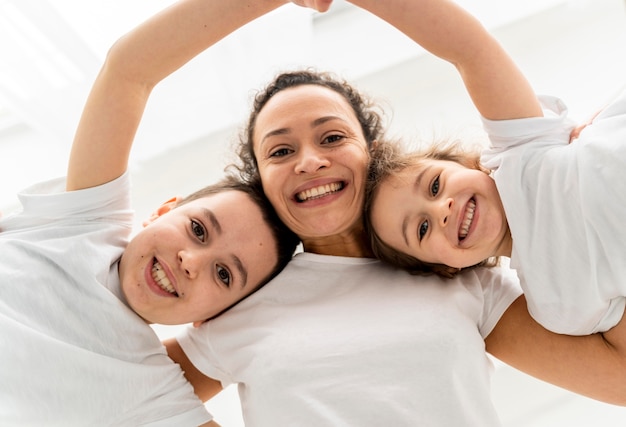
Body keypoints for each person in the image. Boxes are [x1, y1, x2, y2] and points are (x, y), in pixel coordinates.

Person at [161, 1, 626, 425]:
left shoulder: (465, 280)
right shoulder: (244, 307)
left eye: (331, 137)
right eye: (280, 151)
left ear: (372, 152)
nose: (308, 161)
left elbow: (619, 378)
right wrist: (147, 247)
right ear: (262, 184)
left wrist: (585, 209)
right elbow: (116, 382)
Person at [0, 0, 299, 425]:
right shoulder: (85, 219)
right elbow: (131, 70)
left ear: (214, 316)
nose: (191, 262)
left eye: (224, 275)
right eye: (197, 229)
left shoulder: (156, 395)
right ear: (161, 211)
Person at [362, 0, 626, 337]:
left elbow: (467, 48)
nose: (441, 210)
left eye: (434, 186)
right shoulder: (557, 307)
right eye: (422, 229)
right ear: (443, 269)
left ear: (466, 164)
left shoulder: (519, 153)